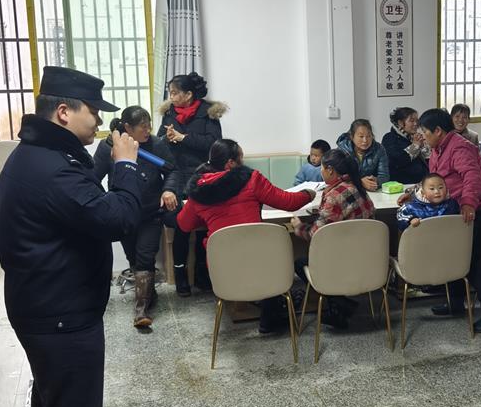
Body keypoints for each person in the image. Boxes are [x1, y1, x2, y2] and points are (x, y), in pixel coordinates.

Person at [0, 66, 143, 407]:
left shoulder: (41, 155)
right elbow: (116, 217)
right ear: (63, 111)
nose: (99, 122)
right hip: (59, 312)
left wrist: (105, 162)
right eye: (93, 112)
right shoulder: (51, 167)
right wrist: (126, 166)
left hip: (48, 304)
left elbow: (81, 202)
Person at [176, 139, 315, 334]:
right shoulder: (251, 179)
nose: (244, 162)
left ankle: (269, 309)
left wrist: (207, 216)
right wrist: (309, 194)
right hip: (260, 264)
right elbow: (288, 202)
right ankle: (272, 314)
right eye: (241, 158)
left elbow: (183, 224)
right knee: (271, 252)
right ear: (230, 163)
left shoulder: (198, 191)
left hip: (222, 270)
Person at [402, 108, 481, 332]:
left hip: (480, 211)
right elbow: (434, 180)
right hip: (458, 210)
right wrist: (412, 194)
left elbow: (473, 176)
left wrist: (468, 203)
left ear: (438, 131)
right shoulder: (438, 148)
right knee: (454, 256)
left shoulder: (460, 147)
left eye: (425, 132)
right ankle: (456, 303)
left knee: (476, 262)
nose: (423, 137)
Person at [92, 105, 179, 330]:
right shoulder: (109, 146)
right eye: (143, 127)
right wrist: (103, 202)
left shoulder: (156, 145)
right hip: (124, 214)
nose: (148, 130)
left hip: (151, 212)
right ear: (127, 128)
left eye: (149, 125)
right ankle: (148, 294)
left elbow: (173, 170)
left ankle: (141, 311)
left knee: (145, 256)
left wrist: (168, 190)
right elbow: (92, 177)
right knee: (133, 258)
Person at [154, 73, 226, 296]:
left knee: (205, 226)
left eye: (175, 93)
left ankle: (203, 276)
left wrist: (183, 137)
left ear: (188, 94)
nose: (171, 97)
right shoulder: (169, 113)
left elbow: (214, 144)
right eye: (170, 93)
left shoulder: (209, 113)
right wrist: (167, 137)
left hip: (203, 177)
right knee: (181, 226)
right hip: (177, 177)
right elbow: (158, 142)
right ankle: (181, 277)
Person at [289, 149, 376, 330]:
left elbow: (315, 234)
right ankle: (340, 306)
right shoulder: (359, 188)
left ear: (330, 170)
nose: (321, 171)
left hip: (341, 262)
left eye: (322, 168)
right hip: (366, 259)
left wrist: (298, 226)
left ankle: (339, 303)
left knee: (300, 263)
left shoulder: (334, 195)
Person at [336, 118, 390, 191]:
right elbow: (337, 177)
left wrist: (376, 181)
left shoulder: (379, 149)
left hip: (372, 192)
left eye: (369, 136)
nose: (365, 140)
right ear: (352, 137)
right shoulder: (342, 150)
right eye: (361, 136)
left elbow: (385, 176)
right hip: (348, 191)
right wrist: (359, 182)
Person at [382, 107, 430, 184]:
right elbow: (397, 161)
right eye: (412, 121)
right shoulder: (389, 138)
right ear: (400, 123)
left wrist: (424, 147)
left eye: (417, 120)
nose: (416, 124)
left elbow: (427, 161)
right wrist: (415, 146)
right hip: (401, 185)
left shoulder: (415, 137)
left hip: (422, 182)